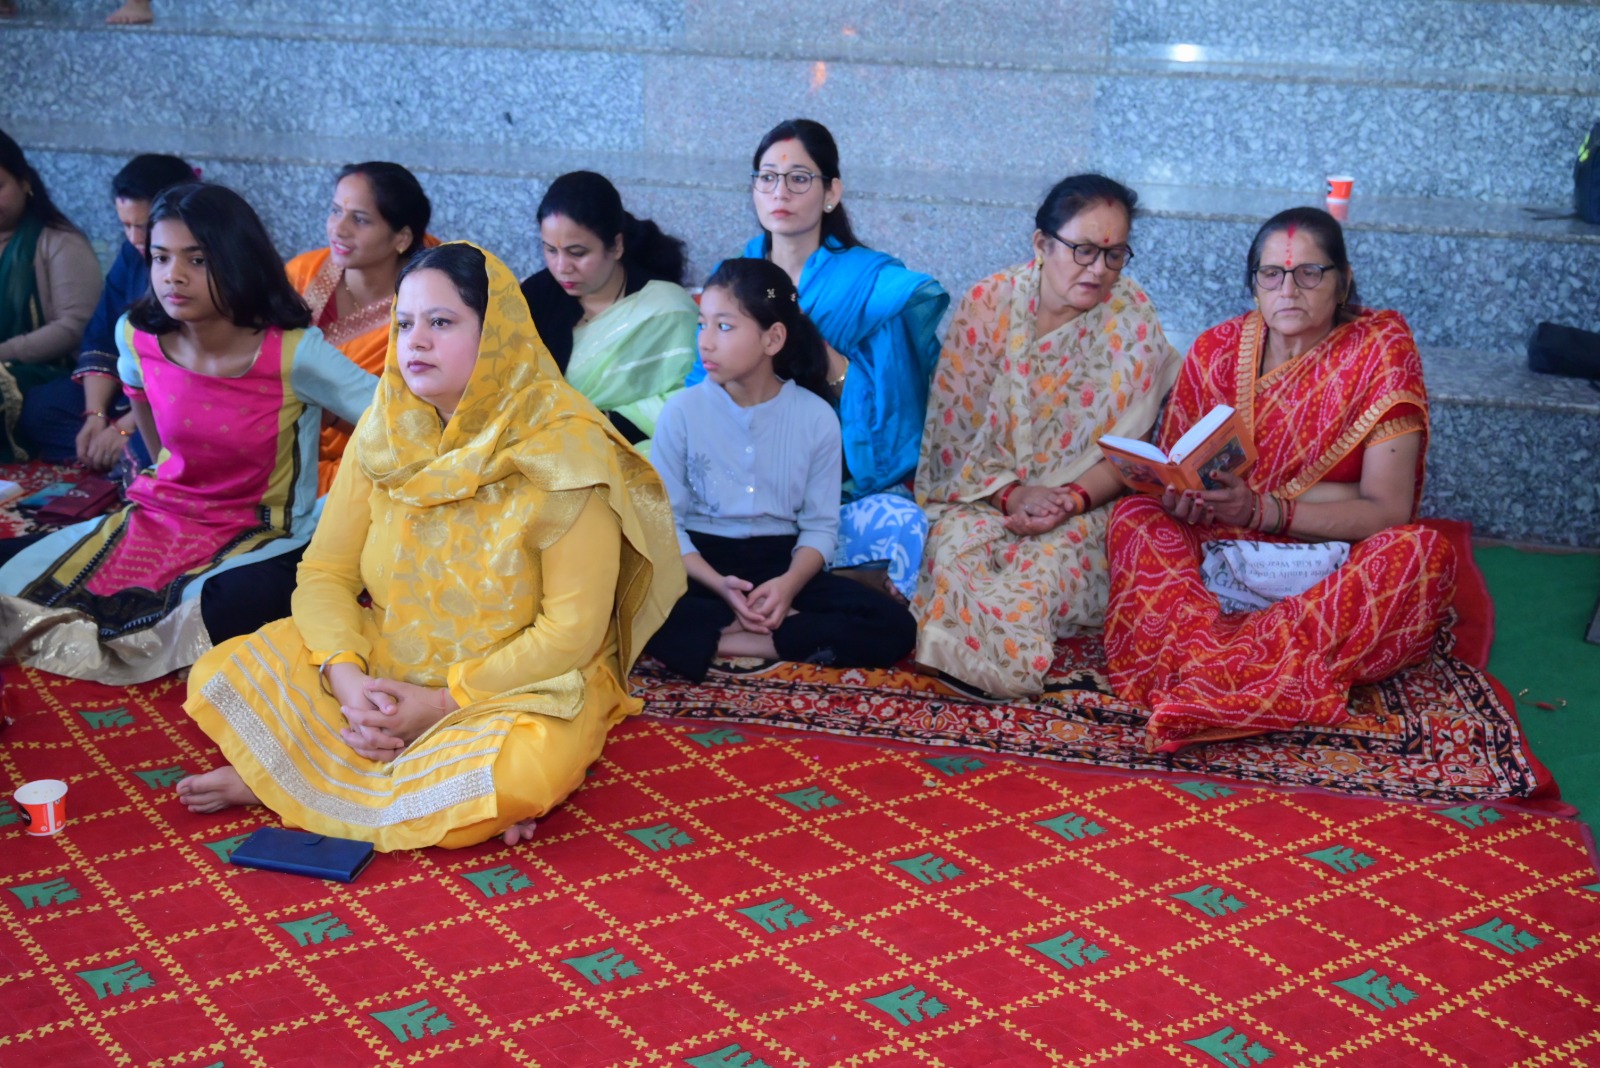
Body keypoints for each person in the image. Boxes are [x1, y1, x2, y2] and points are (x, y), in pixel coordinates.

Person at [175, 243, 685, 851]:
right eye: (405, 323)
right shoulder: (385, 429)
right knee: (222, 671)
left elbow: (571, 634)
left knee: (523, 768)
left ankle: (297, 776)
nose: (414, 342)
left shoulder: (565, 454)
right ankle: (440, 792)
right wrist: (347, 679)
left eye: (441, 322)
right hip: (389, 660)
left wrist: (442, 702)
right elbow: (327, 572)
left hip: (513, 685)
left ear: (495, 334)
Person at [1102, 206, 1455, 749]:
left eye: (1309, 273)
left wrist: (1266, 510)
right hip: (1219, 547)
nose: (1288, 290)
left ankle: (1207, 670)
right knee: (1135, 517)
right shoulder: (1217, 350)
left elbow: (1387, 511)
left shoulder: (1379, 353)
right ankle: (1256, 674)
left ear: (1343, 282)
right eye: (1272, 274)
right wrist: (1181, 501)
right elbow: (1178, 470)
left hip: (1326, 567)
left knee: (1421, 554)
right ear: (1254, 284)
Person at [0, 183, 377, 683]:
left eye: (197, 260)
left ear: (238, 261)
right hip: (163, 514)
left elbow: (391, 417)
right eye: (160, 257)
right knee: (16, 575)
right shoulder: (137, 334)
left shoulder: (293, 352)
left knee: (229, 604)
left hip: (266, 530)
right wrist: (162, 473)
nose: (172, 276)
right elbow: (138, 396)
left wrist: (344, 509)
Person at [913, 174, 1182, 698]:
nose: (1098, 270)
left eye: (1114, 255)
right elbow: (952, 442)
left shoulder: (1130, 316)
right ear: (1042, 244)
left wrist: (1069, 500)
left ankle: (997, 675)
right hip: (982, 495)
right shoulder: (988, 305)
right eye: (1083, 250)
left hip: (1083, 504)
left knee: (1043, 567)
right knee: (957, 550)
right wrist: (1012, 495)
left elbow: (1131, 451)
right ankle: (957, 662)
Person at [686, 119, 949, 603]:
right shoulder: (735, 278)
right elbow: (700, 386)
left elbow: (892, 423)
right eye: (768, 177)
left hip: (839, 484)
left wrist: (814, 343)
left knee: (903, 524)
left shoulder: (873, 287)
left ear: (831, 192)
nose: (780, 191)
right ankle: (809, 588)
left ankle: (799, 584)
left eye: (799, 178)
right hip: (742, 477)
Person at [646, 257, 915, 682]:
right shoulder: (681, 412)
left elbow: (820, 527)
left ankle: (737, 638)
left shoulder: (815, 417)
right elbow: (665, 525)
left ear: (772, 339)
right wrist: (720, 585)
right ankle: (779, 631)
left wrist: (788, 586)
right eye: (702, 325)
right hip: (700, 565)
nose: (706, 342)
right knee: (627, 597)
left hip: (782, 563)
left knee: (895, 626)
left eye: (724, 326)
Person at [19, 153, 195, 469]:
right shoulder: (132, 253)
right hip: (129, 392)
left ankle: (126, 460)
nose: (134, 238)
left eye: (144, 226)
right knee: (40, 409)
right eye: (126, 225)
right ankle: (117, 460)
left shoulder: (203, 265)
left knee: (163, 443)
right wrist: (95, 415)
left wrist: (126, 426)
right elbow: (103, 333)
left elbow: (195, 366)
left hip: (182, 398)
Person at [519, 170, 697, 453]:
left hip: (637, 452)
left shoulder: (667, 311)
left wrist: (605, 425)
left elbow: (693, 398)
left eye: (577, 253)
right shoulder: (533, 298)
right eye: (550, 250)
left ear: (616, 246)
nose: (562, 267)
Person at [285, 161, 432, 491]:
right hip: (279, 455)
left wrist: (330, 410)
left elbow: (420, 426)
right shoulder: (301, 274)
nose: (339, 229)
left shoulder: (424, 309)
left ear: (401, 238)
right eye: (335, 211)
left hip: (371, 470)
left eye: (360, 219)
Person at [0, 129, 103, 459]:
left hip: (46, 370)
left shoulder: (59, 242)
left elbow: (74, 326)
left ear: (25, 182)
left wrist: (3, 353)